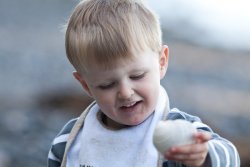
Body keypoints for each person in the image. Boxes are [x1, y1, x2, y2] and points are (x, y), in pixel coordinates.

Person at [48, 0, 240, 166]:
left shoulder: (177, 130)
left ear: (161, 62)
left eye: (137, 76)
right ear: (86, 85)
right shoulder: (70, 141)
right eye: (107, 85)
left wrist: (203, 156)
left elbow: (231, 158)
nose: (125, 92)